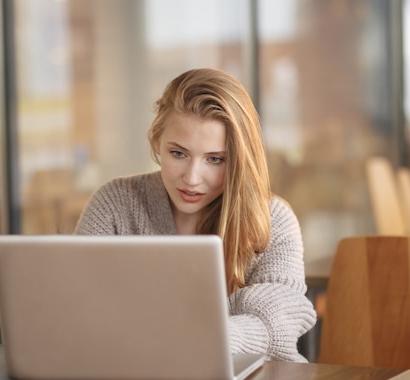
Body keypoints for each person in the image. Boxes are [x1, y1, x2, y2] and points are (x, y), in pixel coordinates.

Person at [74, 68, 317, 362]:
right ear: (156, 142)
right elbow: (80, 311)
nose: (191, 178)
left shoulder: (272, 219)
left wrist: (204, 340)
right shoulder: (115, 204)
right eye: (178, 153)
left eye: (215, 160)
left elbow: (282, 317)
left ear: (239, 161)